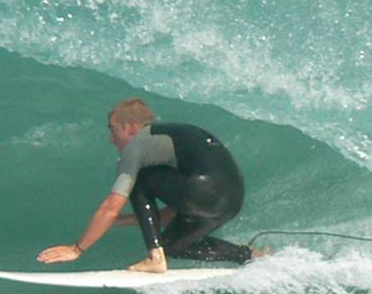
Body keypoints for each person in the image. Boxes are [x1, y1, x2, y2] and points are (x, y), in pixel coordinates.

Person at [37, 98, 255, 273]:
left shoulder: (139, 145)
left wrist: (77, 249)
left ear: (131, 127)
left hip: (202, 192)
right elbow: (183, 204)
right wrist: (129, 220)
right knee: (174, 244)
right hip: (230, 201)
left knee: (139, 177)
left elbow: (111, 207)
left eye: (113, 130)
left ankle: (154, 257)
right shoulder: (174, 135)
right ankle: (248, 255)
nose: (111, 139)